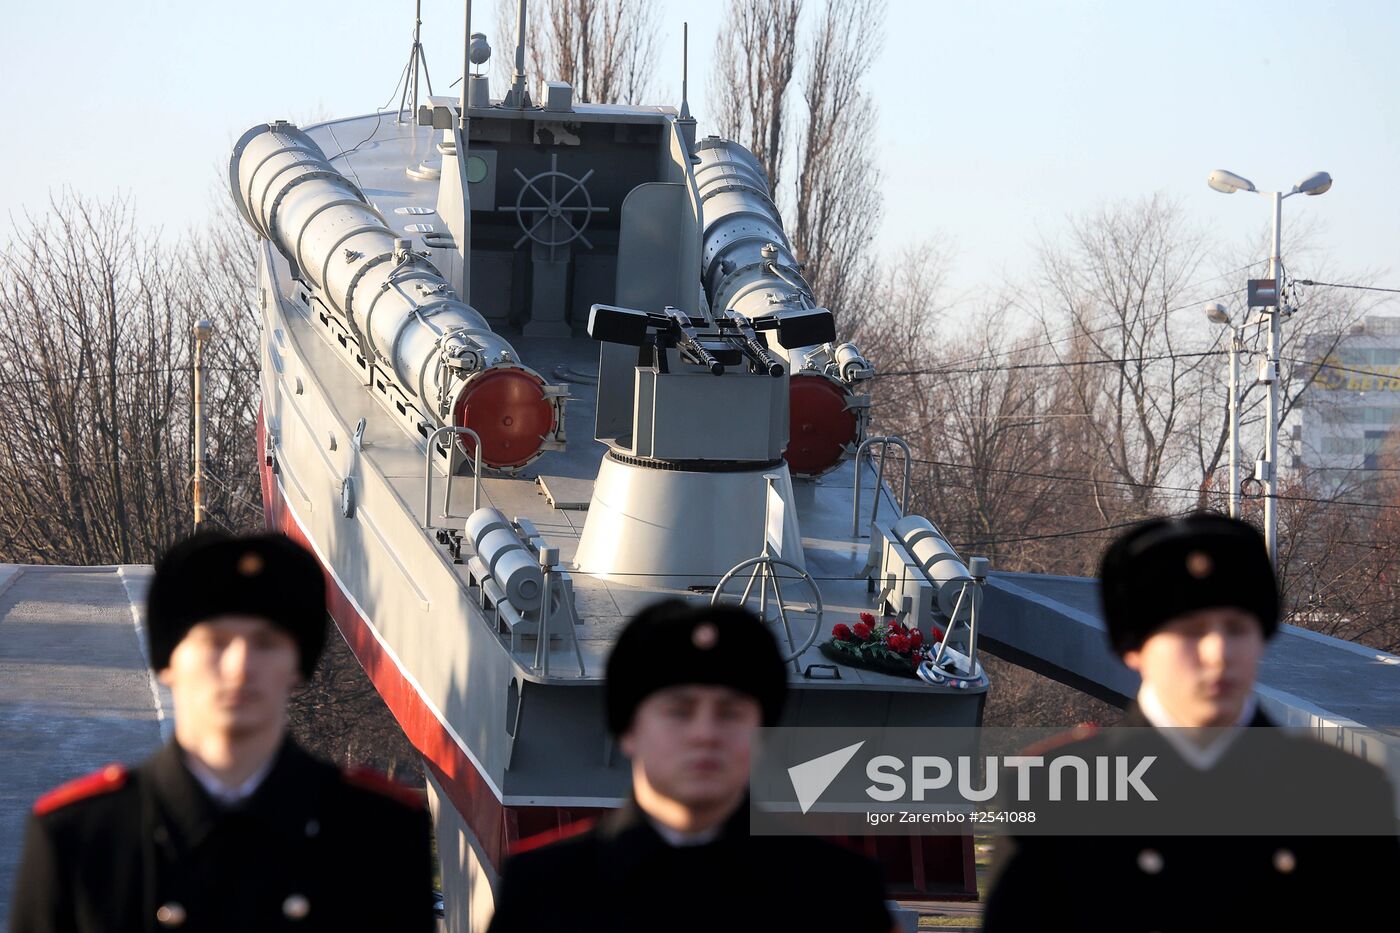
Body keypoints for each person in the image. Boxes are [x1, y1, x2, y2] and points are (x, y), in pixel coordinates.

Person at [982, 512, 1400, 931]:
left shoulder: (1344, 794)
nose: (1218, 653)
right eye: (1190, 632)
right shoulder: (1056, 793)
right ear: (1134, 647)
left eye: (1237, 628)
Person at [9, 531, 435, 933]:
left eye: (266, 642)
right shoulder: (81, 838)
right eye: (215, 642)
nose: (239, 666)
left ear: (298, 666)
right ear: (167, 662)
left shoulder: (377, 834)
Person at [485, 600, 898, 933]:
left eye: (730, 712)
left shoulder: (841, 896)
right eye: (680, 711)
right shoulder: (542, 892)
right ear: (628, 730)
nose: (705, 733)